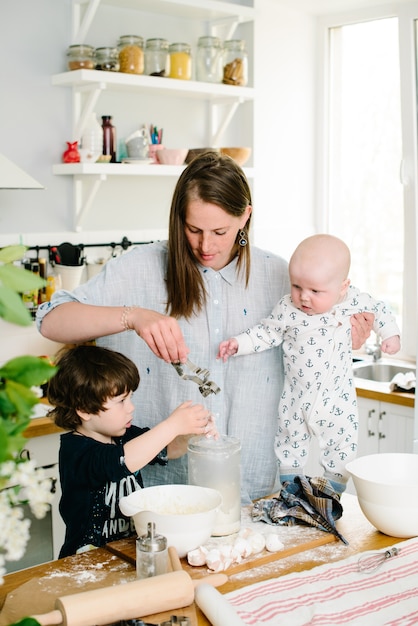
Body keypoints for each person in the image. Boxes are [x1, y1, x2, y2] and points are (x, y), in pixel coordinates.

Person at [36, 151, 372, 504]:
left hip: (256, 487)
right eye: (193, 229)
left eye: (220, 231)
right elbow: (50, 319)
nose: (205, 245)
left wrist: (350, 335)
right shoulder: (140, 267)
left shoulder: (281, 277)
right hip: (164, 493)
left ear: (245, 216)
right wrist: (132, 316)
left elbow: (320, 345)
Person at [218, 234, 400, 494]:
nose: (303, 297)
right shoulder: (288, 309)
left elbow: (380, 309)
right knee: (289, 440)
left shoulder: (354, 302)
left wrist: (390, 334)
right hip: (296, 397)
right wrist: (239, 343)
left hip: (337, 399)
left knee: (343, 446)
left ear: (342, 287)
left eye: (315, 291)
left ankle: (331, 493)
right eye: (296, 286)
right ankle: (292, 489)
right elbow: (266, 332)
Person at [47, 344, 217, 557]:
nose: (131, 407)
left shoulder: (123, 435)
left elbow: (166, 449)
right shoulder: (76, 451)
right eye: (121, 401)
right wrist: (172, 425)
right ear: (84, 409)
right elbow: (121, 461)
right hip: (85, 561)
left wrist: (191, 432)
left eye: (130, 398)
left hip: (126, 552)